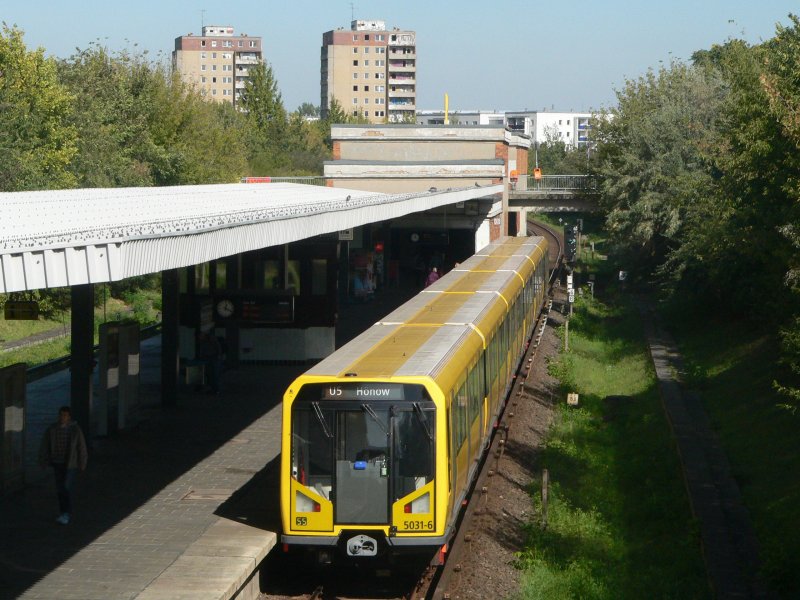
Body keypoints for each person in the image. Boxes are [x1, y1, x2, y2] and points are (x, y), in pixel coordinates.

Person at [39, 406, 88, 525]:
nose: (62, 417)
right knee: (60, 488)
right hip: (57, 463)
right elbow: (45, 445)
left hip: (70, 464)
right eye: (61, 415)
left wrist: (82, 462)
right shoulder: (52, 429)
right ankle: (63, 512)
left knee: (66, 487)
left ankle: (67, 512)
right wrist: (43, 460)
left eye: (65, 415)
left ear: (69, 417)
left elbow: (81, 447)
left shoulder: (75, 430)